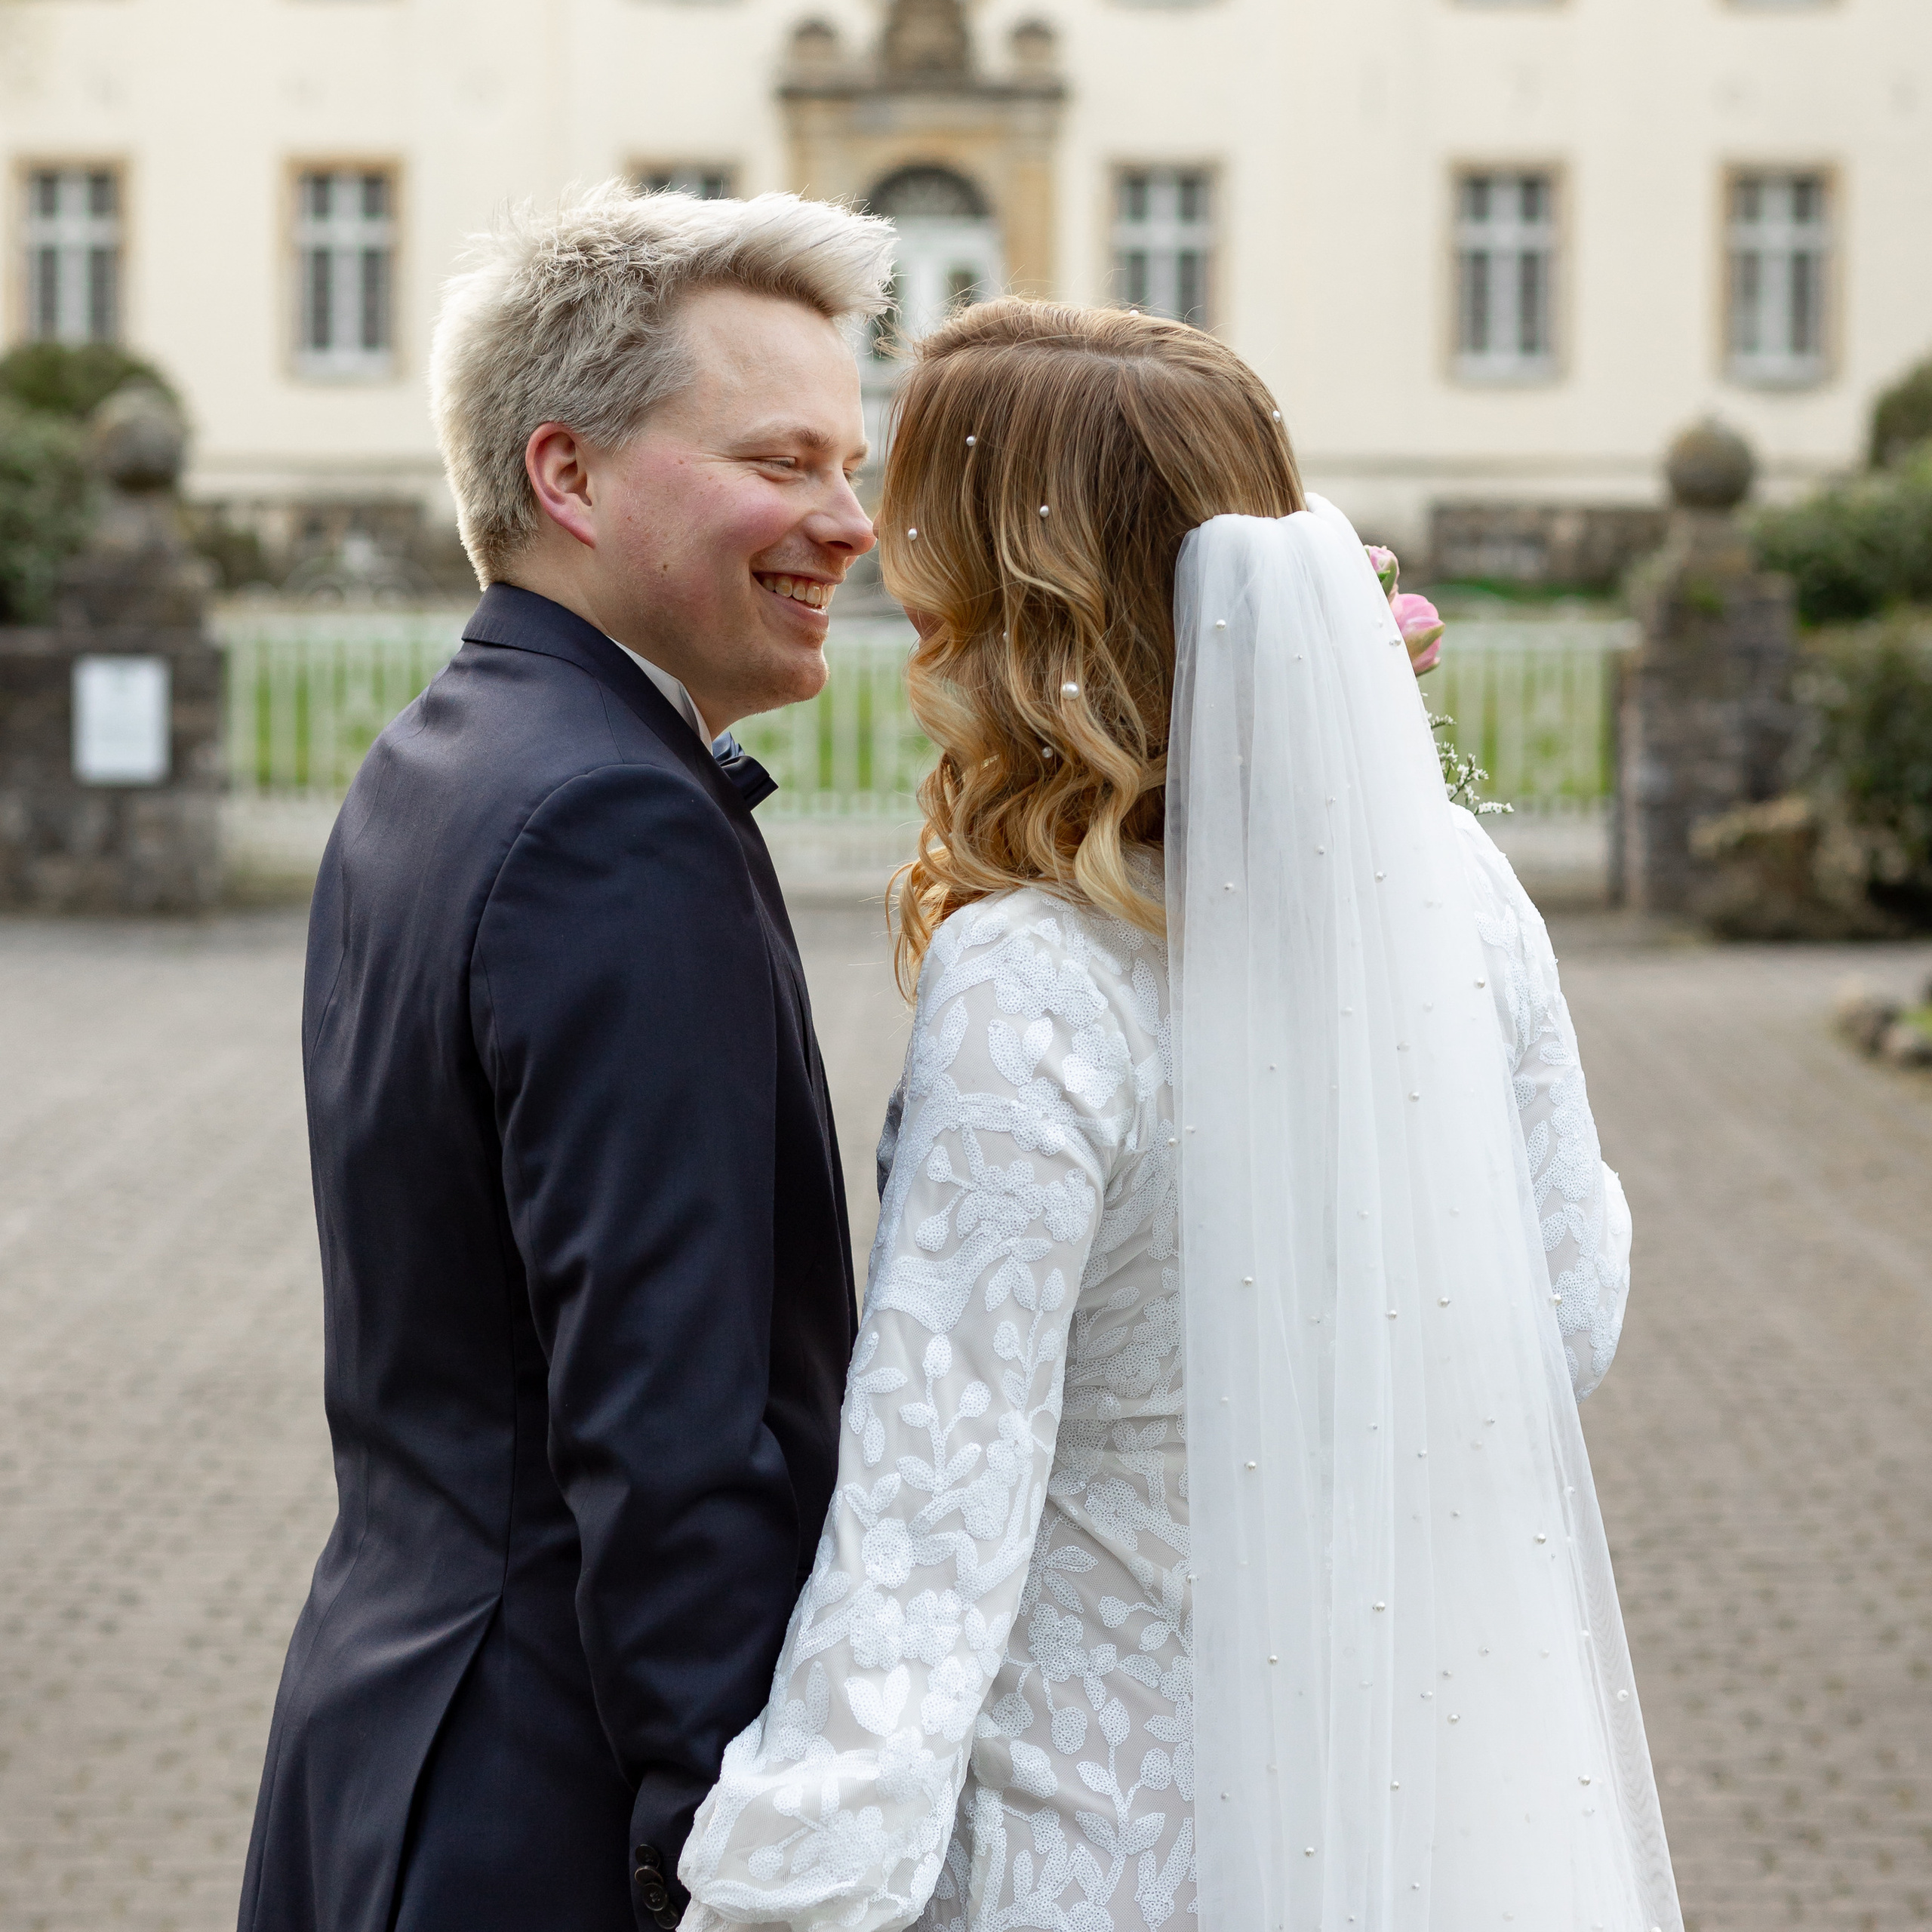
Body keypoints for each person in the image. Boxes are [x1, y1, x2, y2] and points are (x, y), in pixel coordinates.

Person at [674, 301, 1683, 1932]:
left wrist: (786, 1882)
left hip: (1091, 1832)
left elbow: (935, 1507)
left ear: (1005, 593)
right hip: (1388, 1793)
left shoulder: (1038, 978)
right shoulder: (1459, 891)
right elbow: (1567, 1306)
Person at [238, 185, 894, 1932]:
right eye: (781, 461)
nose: (848, 522)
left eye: (849, 462)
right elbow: (667, 1432)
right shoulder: (613, 816)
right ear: (568, 474)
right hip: (550, 1804)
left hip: (388, 1733)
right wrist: (732, 1864)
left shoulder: (443, 753)